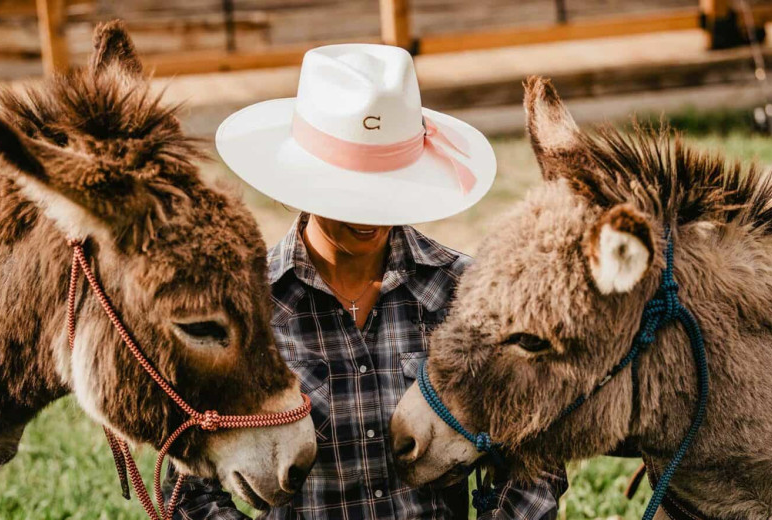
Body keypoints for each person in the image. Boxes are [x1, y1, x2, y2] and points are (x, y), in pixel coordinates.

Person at [164, 43, 567, 519]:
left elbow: (534, 460)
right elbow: (189, 491)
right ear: (305, 180)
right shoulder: (250, 310)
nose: (369, 213)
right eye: (348, 190)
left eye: (386, 184)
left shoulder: (463, 293)